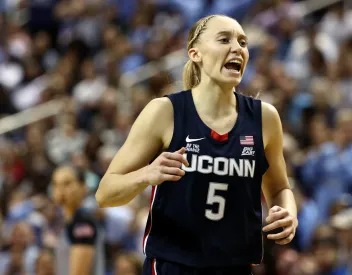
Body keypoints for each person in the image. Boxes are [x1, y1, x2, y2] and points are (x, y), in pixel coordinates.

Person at [95, 14, 298, 275]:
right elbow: (105, 193)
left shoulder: (265, 118)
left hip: (234, 267)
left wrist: (289, 213)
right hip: (174, 265)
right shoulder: (165, 112)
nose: (237, 48)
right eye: (224, 39)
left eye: (243, 42)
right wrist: (146, 174)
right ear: (195, 53)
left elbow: (280, 187)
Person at [51, 165, 105, 275]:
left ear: (83, 187)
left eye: (67, 183)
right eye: (56, 184)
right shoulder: (63, 220)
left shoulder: (83, 222)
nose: (60, 190)